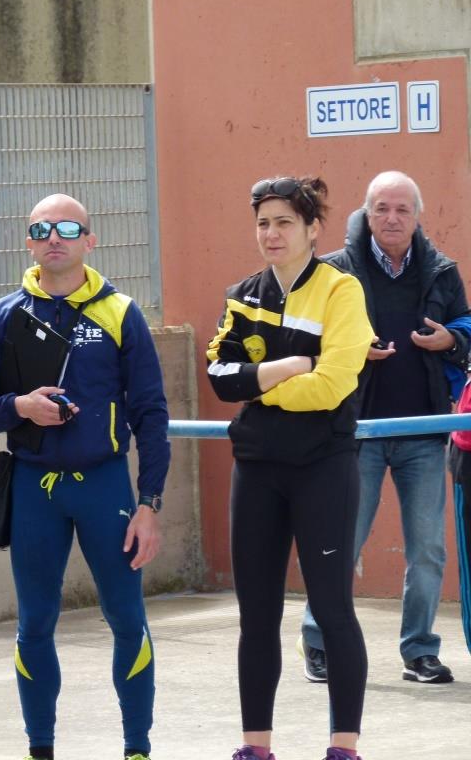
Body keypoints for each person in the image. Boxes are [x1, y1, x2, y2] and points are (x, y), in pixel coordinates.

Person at [0, 194, 170, 760]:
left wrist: (149, 503)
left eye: (69, 229)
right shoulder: (5, 315)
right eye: (42, 228)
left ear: (90, 241)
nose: (55, 237)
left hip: (106, 488)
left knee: (127, 620)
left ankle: (137, 748)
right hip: (35, 490)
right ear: (28, 241)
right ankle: (41, 749)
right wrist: (20, 407)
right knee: (35, 624)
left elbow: (151, 414)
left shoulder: (121, 312)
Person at [207, 177, 373, 760]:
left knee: (332, 610)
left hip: (323, 467)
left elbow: (331, 386)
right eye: (263, 223)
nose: (271, 233)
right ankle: (256, 747)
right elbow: (219, 378)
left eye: (284, 222)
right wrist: (285, 368)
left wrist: (258, 386)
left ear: (312, 229)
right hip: (257, 469)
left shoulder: (341, 290)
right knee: (256, 616)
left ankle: (343, 747)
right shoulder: (242, 295)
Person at [299, 171, 469, 685]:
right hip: (356, 432)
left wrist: (451, 340)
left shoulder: (442, 271)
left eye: (402, 209)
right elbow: (305, 338)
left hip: (425, 431)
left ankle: (419, 650)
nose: (392, 218)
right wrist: (351, 351)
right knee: (341, 542)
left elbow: (466, 324)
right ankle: (318, 641)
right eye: (382, 209)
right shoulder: (333, 270)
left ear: (417, 216)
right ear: (366, 213)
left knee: (428, 550)